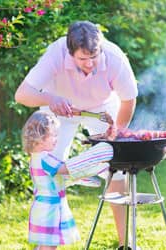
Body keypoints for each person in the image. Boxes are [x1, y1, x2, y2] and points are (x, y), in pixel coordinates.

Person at [15, 20, 138, 249]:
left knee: (118, 171)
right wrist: (50, 99)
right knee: (48, 172)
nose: (90, 64)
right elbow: (22, 94)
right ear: (69, 51)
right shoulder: (55, 53)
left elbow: (129, 99)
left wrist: (117, 130)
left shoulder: (114, 58)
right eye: (83, 59)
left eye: (94, 57)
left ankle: (126, 243)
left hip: (102, 108)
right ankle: (47, 241)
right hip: (60, 106)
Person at [22, 110, 113, 250]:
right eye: (54, 135)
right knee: (49, 247)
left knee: (45, 245)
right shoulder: (45, 159)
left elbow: (62, 176)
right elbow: (67, 169)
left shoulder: (37, 157)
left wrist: (87, 175)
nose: (57, 139)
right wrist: (97, 158)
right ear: (40, 136)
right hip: (49, 211)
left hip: (46, 207)